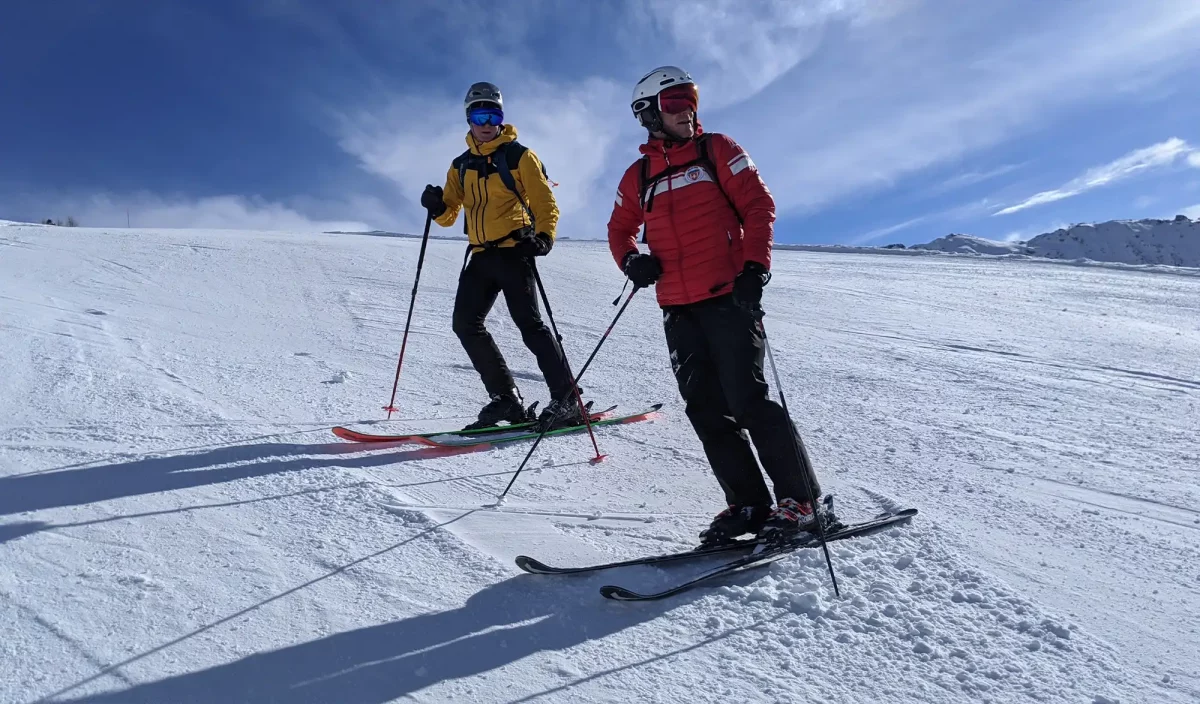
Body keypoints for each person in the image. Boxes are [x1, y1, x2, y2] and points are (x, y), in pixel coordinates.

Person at [606, 66, 825, 543]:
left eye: (690, 99)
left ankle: (801, 501)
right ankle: (747, 503)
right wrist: (631, 261)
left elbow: (758, 206)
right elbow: (618, 229)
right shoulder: (637, 175)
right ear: (647, 113)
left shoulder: (718, 149)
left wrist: (754, 268)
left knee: (748, 400)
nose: (687, 109)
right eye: (674, 102)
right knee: (705, 409)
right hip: (676, 307)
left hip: (729, 295)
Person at [420, 82, 585, 431]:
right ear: (469, 118)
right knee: (465, 324)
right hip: (480, 256)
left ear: (501, 118)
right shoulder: (459, 166)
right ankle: (506, 398)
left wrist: (543, 237)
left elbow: (544, 202)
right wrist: (437, 206)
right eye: (480, 114)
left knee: (531, 327)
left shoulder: (519, 156)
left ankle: (567, 398)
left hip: (514, 250)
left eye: (493, 114)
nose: (487, 122)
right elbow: (449, 216)